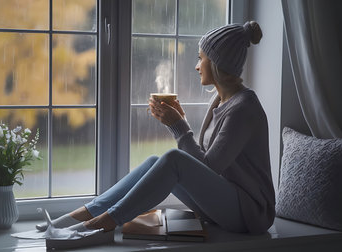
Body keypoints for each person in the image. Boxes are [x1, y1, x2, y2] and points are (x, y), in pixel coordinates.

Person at [48, 21, 275, 234]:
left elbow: (208, 167)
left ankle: (104, 222)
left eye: (201, 58)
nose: (197, 66)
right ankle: (82, 215)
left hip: (251, 213)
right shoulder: (219, 101)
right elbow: (205, 163)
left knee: (173, 160)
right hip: (225, 205)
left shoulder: (244, 108)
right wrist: (179, 122)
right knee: (154, 162)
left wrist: (179, 126)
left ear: (217, 63)